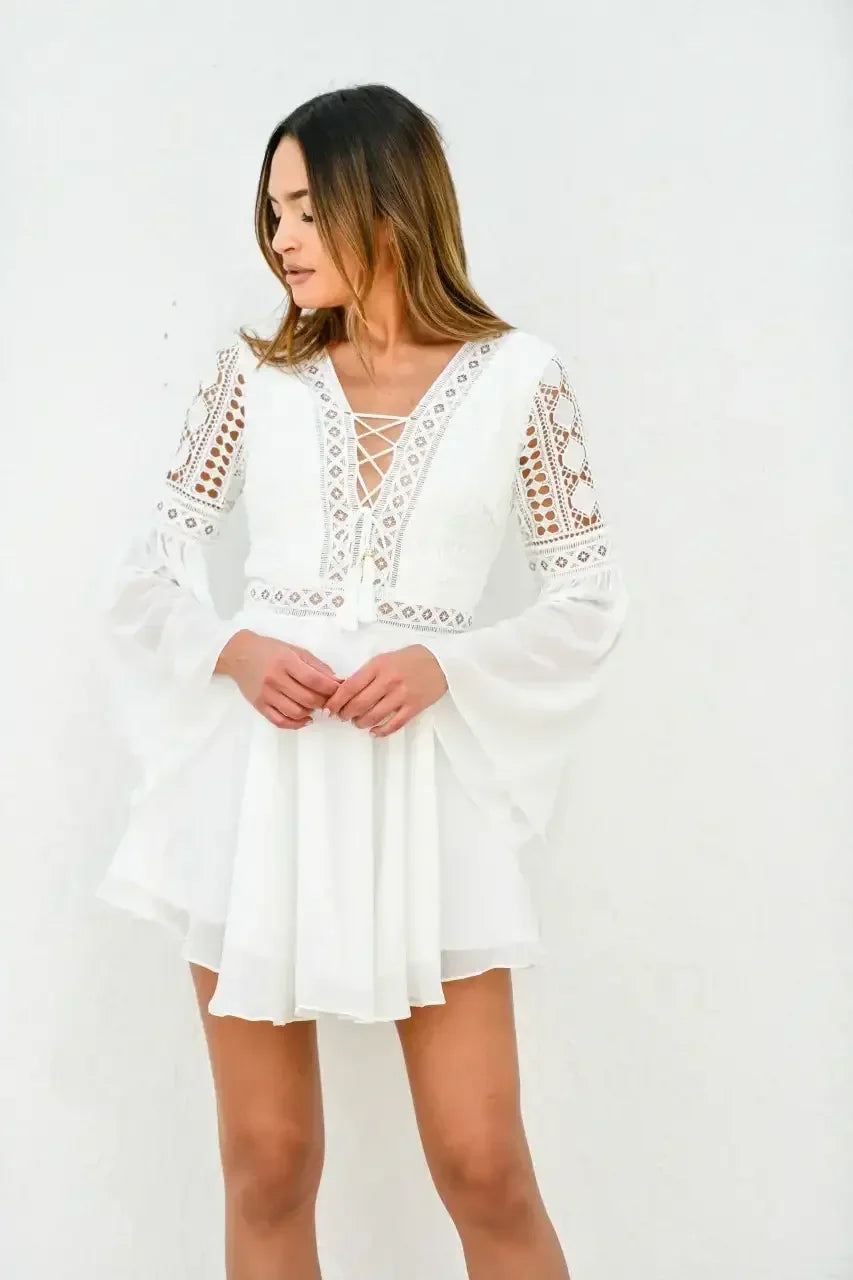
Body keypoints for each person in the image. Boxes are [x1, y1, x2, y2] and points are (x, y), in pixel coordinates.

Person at [96, 83, 628, 1280]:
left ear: (382, 201)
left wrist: (450, 661)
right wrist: (233, 648)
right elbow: (147, 575)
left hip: (423, 801)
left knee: (484, 1162)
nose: (279, 238)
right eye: (271, 213)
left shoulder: (520, 380)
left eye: (302, 209)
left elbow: (590, 594)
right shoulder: (249, 378)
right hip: (257, 796)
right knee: (268, 1162)